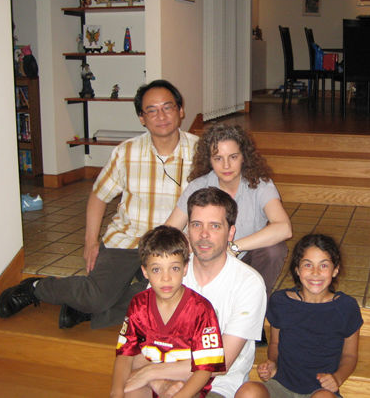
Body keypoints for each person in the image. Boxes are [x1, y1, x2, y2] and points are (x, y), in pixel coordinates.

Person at [0, 80, 199, 329]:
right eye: (152, 110)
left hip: (175, 245)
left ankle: (89, 310)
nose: (161, 116)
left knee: (168, 293)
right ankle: (36, 287)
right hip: (127, 239)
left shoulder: (200, 153)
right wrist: (90, 241)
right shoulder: (126, 152)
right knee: (98, 295)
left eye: (168, 107)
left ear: (181, 110)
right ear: (142, 118)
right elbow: (99, 196)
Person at [124, 187, 267, 398]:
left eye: (215, 226)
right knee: (131, 390)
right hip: (164, 376)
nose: (204, 235)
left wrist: (151, 372)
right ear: (187, 230)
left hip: (218, 385)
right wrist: (160, 383)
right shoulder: (169, 273)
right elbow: (137, 348)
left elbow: (221, 363)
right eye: (196, 225)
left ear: (230, 233)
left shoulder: (249, 283)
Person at [166, 123, 292, 297]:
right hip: (206, 258)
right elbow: (168, 230)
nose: (226, 165)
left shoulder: (260, 185)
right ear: (209, 160)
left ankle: (258, 299)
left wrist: (233, 247)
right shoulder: (198, 186)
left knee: (274, 250)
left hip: (245, 258)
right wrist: (191, 243)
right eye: (218, 158)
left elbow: (284, 228)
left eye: (233, 157)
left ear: (244, 157)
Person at [235, 234, 363, 398]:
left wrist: (337, 378)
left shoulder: (346, 307)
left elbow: (350, 355)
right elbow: (275, 343)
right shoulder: (281, 301)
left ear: (335, 270)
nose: (315, 272)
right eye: (308, 265)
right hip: (281, 385)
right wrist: (272, 363)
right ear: (297, 269)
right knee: (248, 391)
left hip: (319, 390)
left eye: (323, 265)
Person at [111, 225, 225, 398]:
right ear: (145, 271)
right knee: (129, 389)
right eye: (156, 269)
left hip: (187, 388)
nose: (166, 278)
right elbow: (125, 355)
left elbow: (205, 369)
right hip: (150, 382)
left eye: (174, 268)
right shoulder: (139, 304)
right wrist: (116, 392)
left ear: (185, 268)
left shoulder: (201, 310)